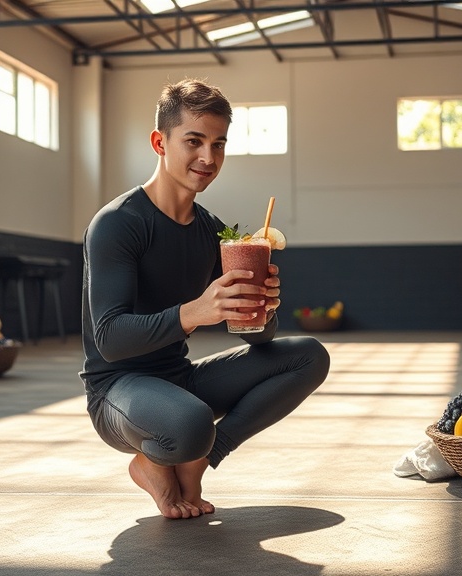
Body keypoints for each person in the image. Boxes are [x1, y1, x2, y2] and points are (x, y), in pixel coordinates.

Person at [79, 78, 330, 520]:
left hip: (179, 380)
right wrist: (197, 311)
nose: (208, 158)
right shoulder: (118, 223)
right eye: (193, 141)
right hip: (118, 392)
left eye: (218, 144)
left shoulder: (213, 232)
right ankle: (151, 462)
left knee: (308, 355)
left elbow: (256, 338)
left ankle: (199, 460)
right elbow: (110, 340)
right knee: (191, 423)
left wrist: (262, 307)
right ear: (160, 141)